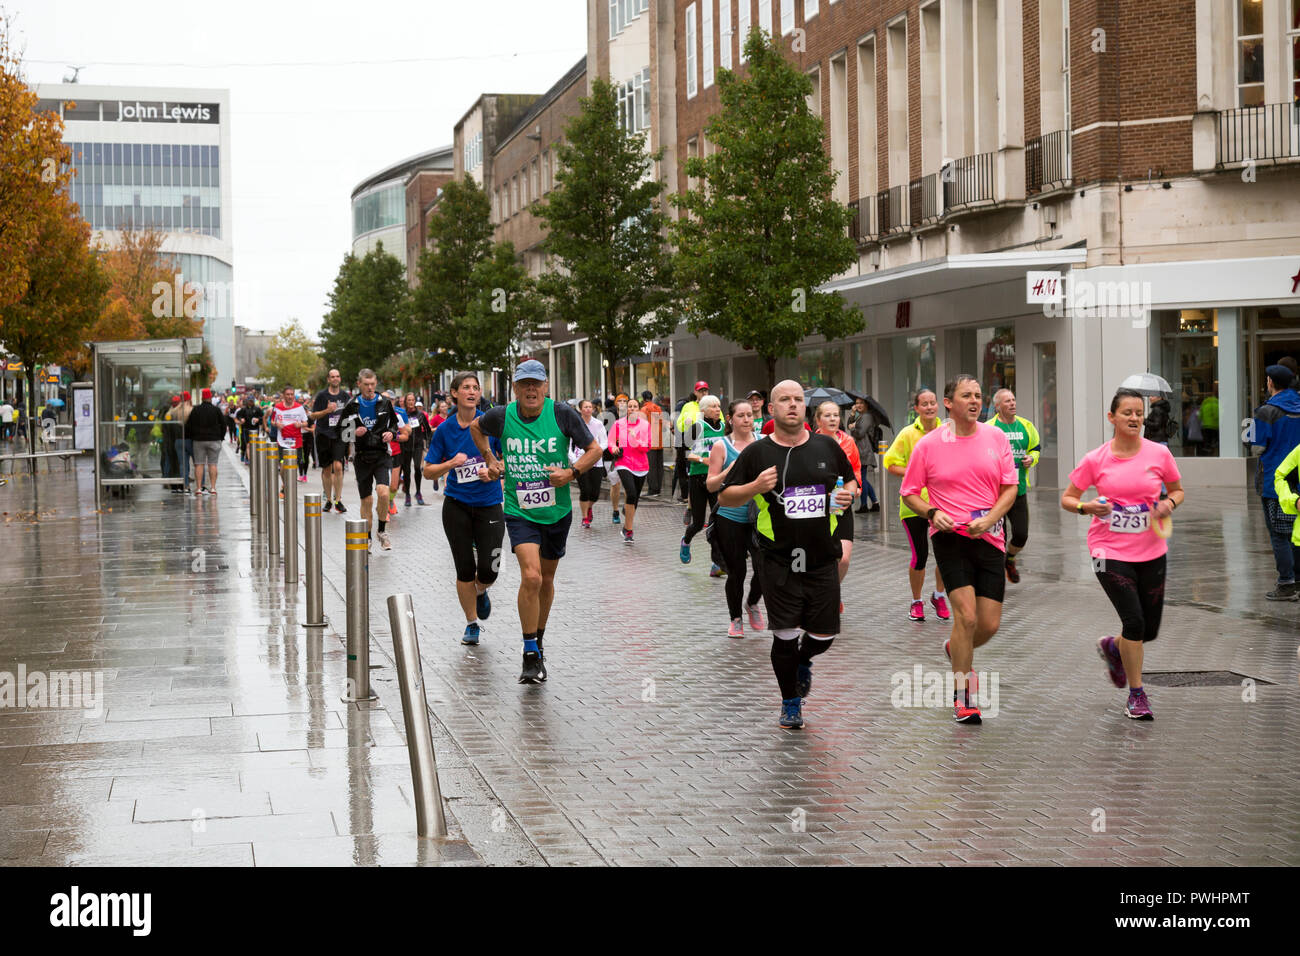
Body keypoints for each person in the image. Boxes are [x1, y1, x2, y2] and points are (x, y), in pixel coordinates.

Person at [719, 380, 857, 729]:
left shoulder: (827, 447)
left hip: (822, 555)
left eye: (798, 399)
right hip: (777, 557)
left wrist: (848, 495)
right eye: (785, 400)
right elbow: (725, 497)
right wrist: (754, 487)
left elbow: (851, 481)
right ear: (771, 409)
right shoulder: (757, 453)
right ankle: (790, 702)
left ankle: (802, 661)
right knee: (785, 634)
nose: (793, 405)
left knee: (824, 636)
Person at [471, 359, 601, 683]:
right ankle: (529, 651)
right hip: (519, 509)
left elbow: (595, 449)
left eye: (536, 383)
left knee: (546, 578)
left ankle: (539, 638)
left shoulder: (561, 414)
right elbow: (476, 428)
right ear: (515, 388)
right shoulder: (502, 415)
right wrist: (491, 458)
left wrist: (571, 473)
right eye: (524, 384)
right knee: (531, 577)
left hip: (556, 511)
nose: (531, 389)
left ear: (545, 387)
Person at [900, 374, 1018, 724]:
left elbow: (1009, 488)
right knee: (965, 617)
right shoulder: (929, 444)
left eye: (979, 395)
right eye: (966, 395)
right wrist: (932, 513)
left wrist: (991, 518)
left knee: (989, 625)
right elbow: (909, 491)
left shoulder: (996, 437)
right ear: (949, 403)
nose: (974, 400)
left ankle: (956, 650)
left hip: (991, 535)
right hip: (950, 537)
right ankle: (963, 697)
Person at [1061, 387, 1184, 721]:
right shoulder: (1096, 459)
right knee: (1134, 621)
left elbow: (1177, 490)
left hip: (1152, 549)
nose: (1134, 418)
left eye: (1139, 413)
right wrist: (1087, 506)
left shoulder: (1158, 454)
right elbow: (1068, 498)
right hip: (1107, 549)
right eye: (1127, 412)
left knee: (1148, 630)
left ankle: (1115, 648)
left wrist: (1167, 504)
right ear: (1111, 417)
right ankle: (1137, 694)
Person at [423, 372, 503, 645]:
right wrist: (450, 464)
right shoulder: (445, 429)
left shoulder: (491, 423)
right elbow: (428, 471)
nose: (472, 391)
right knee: (464, 569)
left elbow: (505, 461)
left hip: (489, 504)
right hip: (456, 505)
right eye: (466, 387)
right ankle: (471, 624)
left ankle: (481, 590)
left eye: (476, 387)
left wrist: (493, 471)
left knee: (490, 567)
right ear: (455, 394)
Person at [883, 388, 949, 623]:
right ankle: (917, 601)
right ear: (917, 408)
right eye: (925, 404)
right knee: (919, 556)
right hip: (913, 504)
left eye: (933, 403)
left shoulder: (948, 432)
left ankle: (939, 595)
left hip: (944, 503)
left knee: (945, 555)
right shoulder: (907, 434)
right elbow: (890, 464)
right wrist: (917, 473)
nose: (930, 407)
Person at [706, 399, 765, 638]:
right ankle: (736, 619)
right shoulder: (722, 446)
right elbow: (710, 485)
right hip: (729, 517)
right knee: (737, 571)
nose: (747, 419)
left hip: (759, 517)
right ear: (730, 419)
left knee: (764, 568)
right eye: (741, 415)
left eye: (750, 415)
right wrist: (733, 468)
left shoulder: (763, 443)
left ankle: (752, 603)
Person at [339, 370, 405, 551]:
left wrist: (391, 433)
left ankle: (382, 531)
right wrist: (353, 433)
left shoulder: (384, 403)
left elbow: (394, 425)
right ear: (359, 384)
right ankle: (367, 537)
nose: (369, 388)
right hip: (361, 457)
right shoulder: (351, 405)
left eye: (372, 384)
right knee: (367, 501)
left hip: (382, 454)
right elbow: (342, 433)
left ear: (376, 384)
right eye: (366, 384)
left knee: (383, 493)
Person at [1250, 364, 1300, 601]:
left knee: (1279, 534)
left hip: (1275, 480)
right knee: (1296, 532)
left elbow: (1258, 447)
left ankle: (1286, 583)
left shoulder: (1266, 412)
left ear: (1270, 382)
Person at [988, 388, 1041, 583]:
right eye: (1007, 401)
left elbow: (1036, 448)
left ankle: (1009, 559)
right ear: (997, 406)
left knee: (1021, 535)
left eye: (1013, 400)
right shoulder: (990, 428)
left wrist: (1031, 459)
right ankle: (996, 575)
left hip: (1018, 490)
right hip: (996, 493)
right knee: (999, 536)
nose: (1012, 404)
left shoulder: (1026, 425)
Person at [814, 401, 861, 591]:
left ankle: (833, 592)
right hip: (818, 505)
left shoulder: (848, 441)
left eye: (836, 415)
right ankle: (825, 595)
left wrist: (854, 489)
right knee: (822, 556)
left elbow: (856, 470)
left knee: (843, 558)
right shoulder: (809, 442)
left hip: (841, 504)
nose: (833, 419)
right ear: (818, 420)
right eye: (827, 415)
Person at [680, 393, 727, 574]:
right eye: (713, 407)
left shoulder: (724, 427)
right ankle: (686, 540)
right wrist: (702, 459)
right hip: (697, 478)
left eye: (718, 406)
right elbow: (685, 454)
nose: (717, 409)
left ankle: (717, 564)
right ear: (704, 410)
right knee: (698, 523)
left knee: (717, 522)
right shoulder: (697, 427)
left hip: (715, 479)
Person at [606, 395, 651, 544]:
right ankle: (629, 532)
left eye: (634, 406)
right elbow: (611, 442)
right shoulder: (618, 424)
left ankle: (626, 527)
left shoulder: (645, 425)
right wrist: (614, 449)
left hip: (641, 465)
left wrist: (635, 440)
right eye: (629, 406)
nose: (632, 409)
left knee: (635, 499)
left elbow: (647, 446)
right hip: (623, 463)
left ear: (639, 409)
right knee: (630, 493)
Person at [308, 369, 351, 512]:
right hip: (323, 434)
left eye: (337, 376)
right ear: (328, 379)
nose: (335, 379)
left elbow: (350, 418)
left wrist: (350, 439)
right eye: (332, 376)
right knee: (326, 469)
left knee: (338, 466)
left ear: (340, 379)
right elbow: (313, 416)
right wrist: (326, 411)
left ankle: (338, 500)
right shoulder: (321, 396)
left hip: (339, 435)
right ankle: (328, 500)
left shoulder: (345, 396)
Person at [572, 399, 608, 528]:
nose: (588, 409)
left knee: (595, 493)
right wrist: (574, 460)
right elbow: (569, 445)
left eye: (590, 407)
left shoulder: (598, 424)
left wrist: (597, 451)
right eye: (585, 407)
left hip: (596, 461)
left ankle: (589, 507)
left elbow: (604, 442)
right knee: (585, 490)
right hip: (580, 461)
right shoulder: (575, 424)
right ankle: (584, 517)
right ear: (580, 409)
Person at [187, 388, 227, 496]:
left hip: (199, 440)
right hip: (214, 439)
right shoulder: (216, 410)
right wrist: (221, 437)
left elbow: (189, 425)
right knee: (213, 464)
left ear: (202, 398)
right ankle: (213, 488)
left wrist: (192, 436)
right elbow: (223, 425)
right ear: (210, 398)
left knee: (199, 464)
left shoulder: (195, 410)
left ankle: (199, 488)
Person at [673, 382, 707, 503]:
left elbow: (719, 424)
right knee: (685, 468)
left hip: (704, 445)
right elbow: (679, 425)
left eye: (705, 391)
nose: (703, 393)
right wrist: (685, 423)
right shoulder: (688, 406)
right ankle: (686, 496)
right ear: (695, 392)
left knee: (699, 469)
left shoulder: (711, 405)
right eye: (700, 391)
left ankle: (700, 495)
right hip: (686, 444)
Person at [847, 396, 881, 513]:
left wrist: (852, 428)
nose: (858, 405)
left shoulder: (867, 416)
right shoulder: (860, 416)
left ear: (866, 405)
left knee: (861, 479)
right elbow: (849, 425)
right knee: (863, 478)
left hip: (864, 451)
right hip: (860, 451)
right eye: (857, 403)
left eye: (861, 403)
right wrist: (852, 414)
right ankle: (875, 503)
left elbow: (860, 433)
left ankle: (864, 505)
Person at [270, 385, 310, 485]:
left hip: (296, 441)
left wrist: (300, 424)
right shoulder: (277, 407)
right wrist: (277, 424)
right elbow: (272, 421)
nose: (290, 396)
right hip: (282, 442)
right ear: (283, 395)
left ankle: (289, 488)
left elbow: (306, 422)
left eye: (292, 394)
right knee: (283, 467)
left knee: (292, 466)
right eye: (287, 394)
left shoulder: (299, 407)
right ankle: (285, 485)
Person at [400, 392, 431, 506]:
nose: (411, 402)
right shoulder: (402, 415)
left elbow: (427, 430)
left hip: (418, 445)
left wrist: (427, 443)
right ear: (405, 402)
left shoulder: (421, 415)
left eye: (413, 400)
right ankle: (407, 494)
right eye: (409, 400)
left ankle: (418, 492)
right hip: (405, 446)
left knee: (418, 468)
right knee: (406, 471)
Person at [608, 393, 631, 524]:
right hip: (613, 457)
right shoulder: (609, 416)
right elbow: (606, 436)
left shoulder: (632, 416)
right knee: (615, 485)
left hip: (629, 456)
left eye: (625, 401)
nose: (622, 402)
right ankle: (615, 510)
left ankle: (627, 506)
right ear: (616, 403)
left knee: (629, 486)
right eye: (620, 400)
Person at [640, 390, 665, 497]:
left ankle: (652, 489)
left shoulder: (644, 409)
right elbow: (663, 425)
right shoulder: (658, 408)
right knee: (659, 466)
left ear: (643, 398)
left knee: (650, 466)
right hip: (659, 441)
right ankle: (658, 488)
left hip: (649, 442)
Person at [169, 391, 194, 493]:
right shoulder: (192, 411)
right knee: (198, 463)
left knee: (182, 464)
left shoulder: (173, 412)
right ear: (189, 400)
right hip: (190, 440)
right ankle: (201, 486)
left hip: (178, 440)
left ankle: (186, 485)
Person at [235, 396, 264, 467]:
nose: (251, 402)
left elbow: (263, 417)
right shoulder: (244, 409)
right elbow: (238, 416)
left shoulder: (257, 409)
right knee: (248, 444)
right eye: (249, 401)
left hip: (255, 429)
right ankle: (249, 459)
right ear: (247, 401)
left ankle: (253, 458)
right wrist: (241, 419)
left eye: (252, 401)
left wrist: (258, 420)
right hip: (246, 429)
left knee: (254, 444)